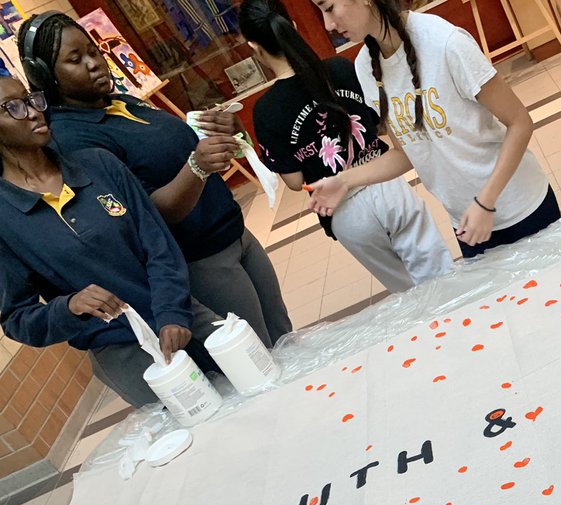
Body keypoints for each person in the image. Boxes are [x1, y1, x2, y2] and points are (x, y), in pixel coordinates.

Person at [17, 12, 292, 348]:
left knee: (286, 339)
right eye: (75, 60)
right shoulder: (73, 139)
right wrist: (198, 166)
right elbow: (142, 215)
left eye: (92, 51)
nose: (94, 64)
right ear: (47, 77)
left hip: (231, 232)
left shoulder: (123, 103)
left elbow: (176, 154)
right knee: (261, 355)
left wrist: (223, 135)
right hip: (199, 260)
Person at [0, 76, 224, 406]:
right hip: (122, 349)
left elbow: (159, 246)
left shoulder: (99, 165)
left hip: (183, 316)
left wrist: (172, 314)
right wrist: (69, 307)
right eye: (13, 108)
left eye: (32, 99)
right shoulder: (5, 219)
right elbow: (18, 320)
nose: (33, 112)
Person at [305, 0, 560, 258]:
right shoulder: (365, 68)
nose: (329, 25)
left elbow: (519, 122)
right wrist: (345, 180)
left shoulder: (446, 42)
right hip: (467, 222)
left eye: (329, 8)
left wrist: (486, 201)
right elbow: (405, 153)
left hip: (521, 207)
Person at [238, 0, 451, 292]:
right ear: (294, 27)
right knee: (442, 274)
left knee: (408, 292)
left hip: (344, 213)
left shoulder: (265, 112)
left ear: (253, 47)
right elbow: (377, 123)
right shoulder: (340, 68)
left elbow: (294, 181)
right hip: (386, 183)